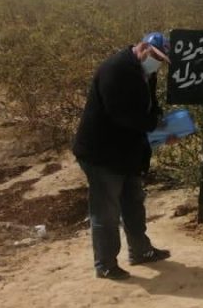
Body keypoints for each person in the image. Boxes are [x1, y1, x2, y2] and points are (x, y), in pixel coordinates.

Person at [73, 31, 174, 280]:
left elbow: (149, 107)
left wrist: (163, 126)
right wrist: (154, 126)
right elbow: (122, 115)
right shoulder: (115, 70)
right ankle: (105, 265)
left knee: (133, 202)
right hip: (101, 153)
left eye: (162, 60)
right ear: (143, 48)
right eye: (156, 57)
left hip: (127, 151)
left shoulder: (145, 72)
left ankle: (141, 251)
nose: (158, 63)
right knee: (107, 211)